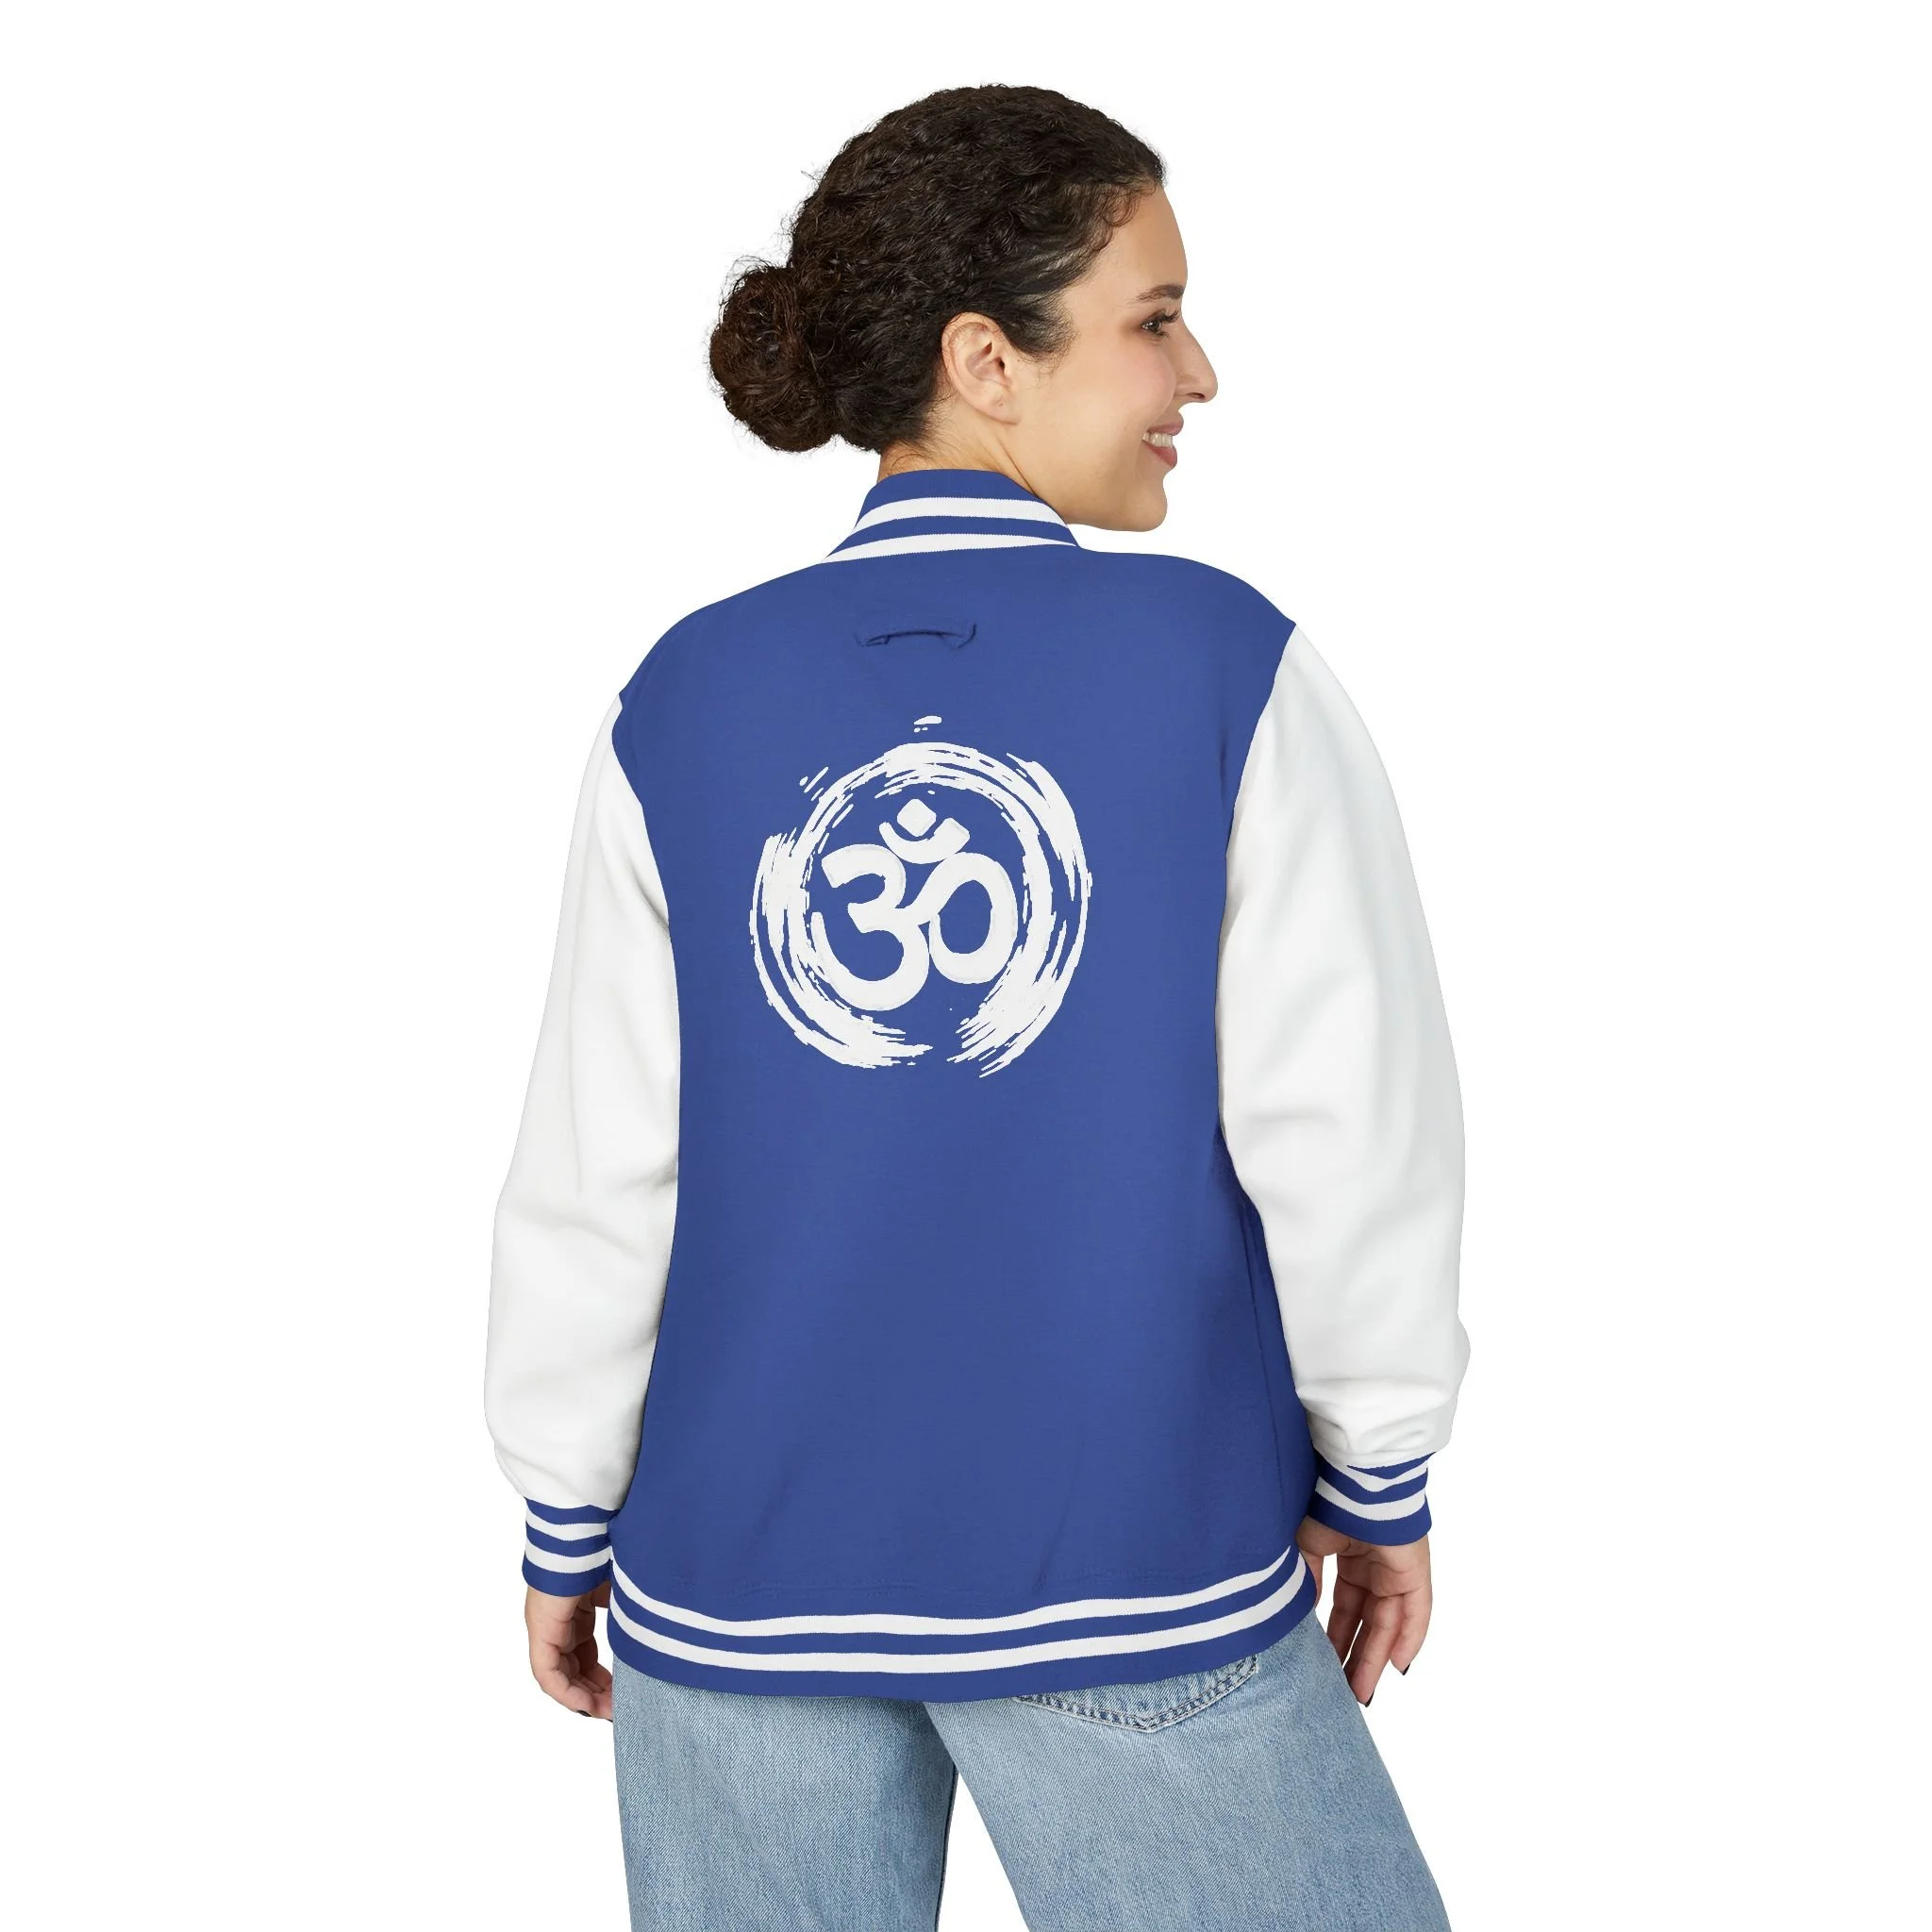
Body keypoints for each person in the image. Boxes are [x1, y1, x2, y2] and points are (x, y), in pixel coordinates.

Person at [483, 81, 1470, 1932]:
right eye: (1153, 318)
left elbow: (602, 1165)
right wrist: (1381, 1463)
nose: (1199, 373)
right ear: (984, 361)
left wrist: (564, 1509)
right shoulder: (1225, 665)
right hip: (1129, 1565)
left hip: (733, 1594)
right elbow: (1343, 1123)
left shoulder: (683, 697)